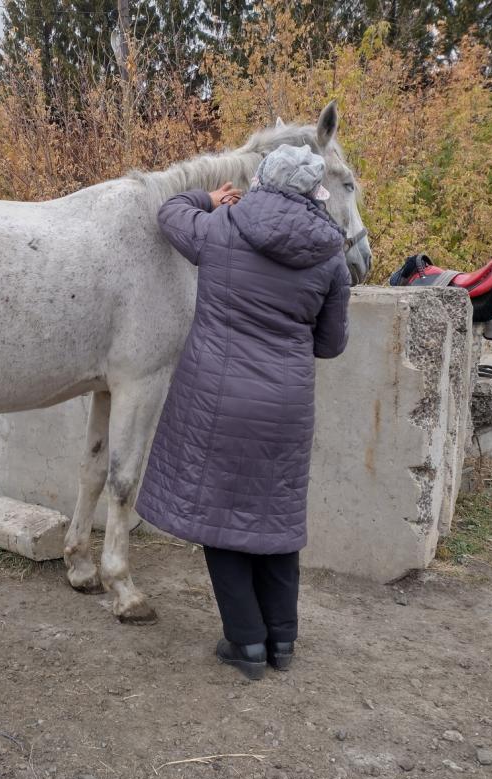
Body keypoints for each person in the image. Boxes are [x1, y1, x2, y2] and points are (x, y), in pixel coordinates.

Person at [135, 144, 352, 680]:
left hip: (216, 400)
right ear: (313, 193)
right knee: (275, 519)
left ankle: (246, 643)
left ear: (260, 181)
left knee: (220, 517)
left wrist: (206, 197)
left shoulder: (224, 227)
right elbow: (330, 344)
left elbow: (168, 213)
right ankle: (282, 642)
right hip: (286, 406)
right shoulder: (331, 255)